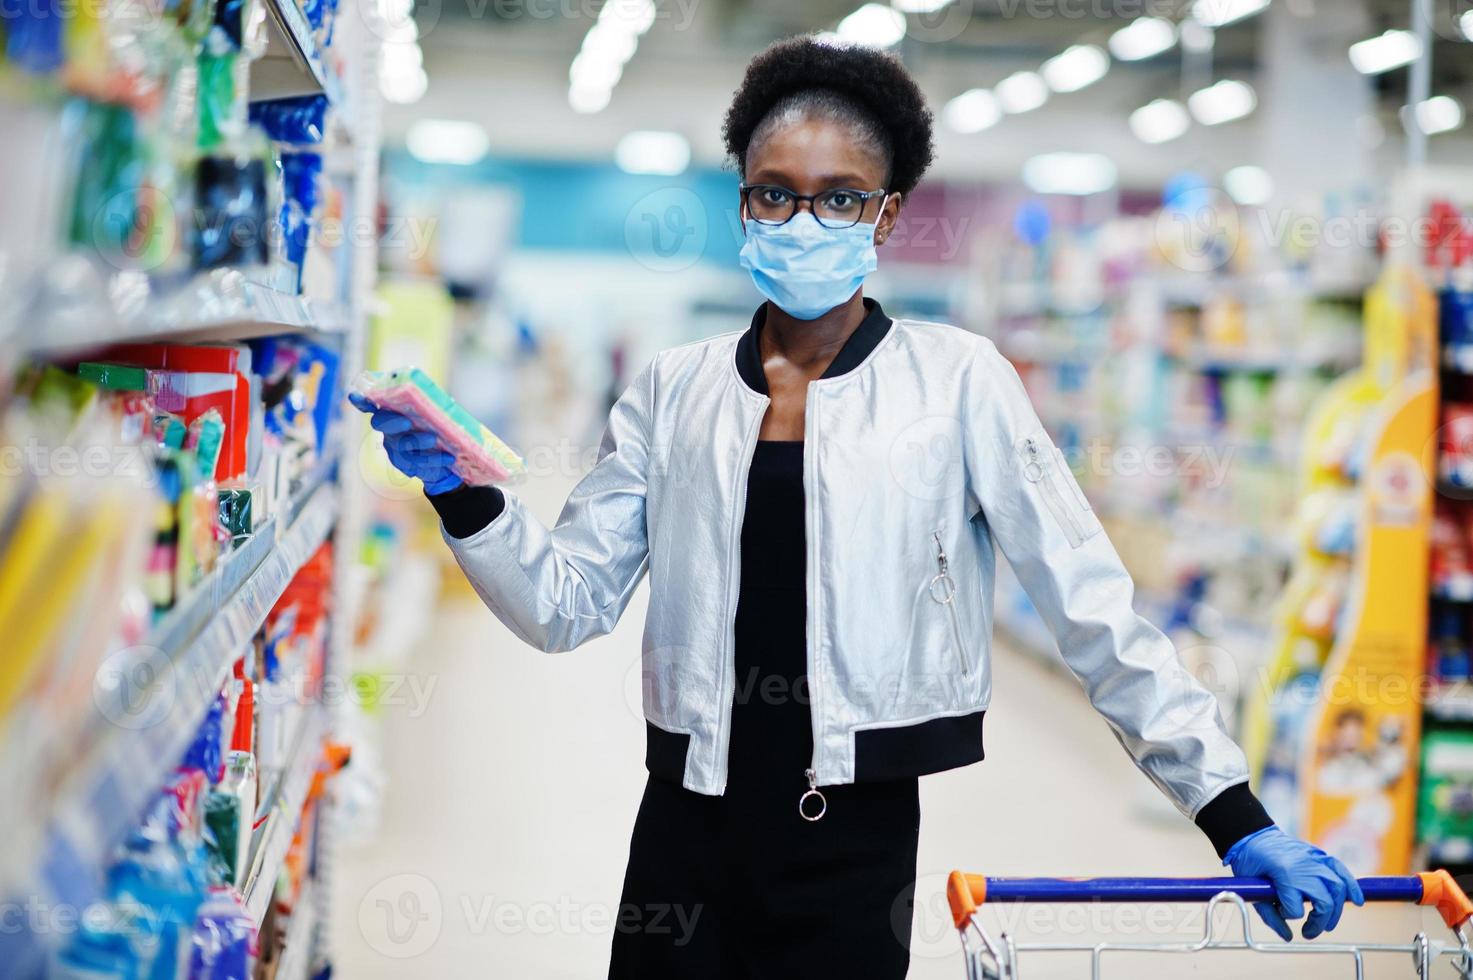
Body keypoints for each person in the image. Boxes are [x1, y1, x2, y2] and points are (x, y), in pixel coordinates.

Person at [351, 35, 1362, 979]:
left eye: (840, 198)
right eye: (775, 195)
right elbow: (564, 601)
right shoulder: (676, 387)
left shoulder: (958, 380)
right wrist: (465, 494)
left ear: (886, 214)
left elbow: (1088, 600)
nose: (804, 221)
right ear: (743, 205)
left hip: (855, 835)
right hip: (683, 826)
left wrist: (1233, 812)